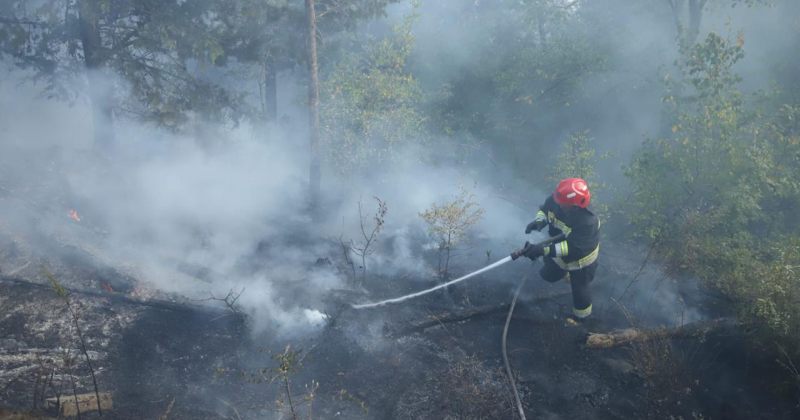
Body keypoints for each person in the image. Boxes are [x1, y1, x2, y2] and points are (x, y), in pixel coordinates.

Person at [521, 177, 600, 323]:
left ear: (577, 206)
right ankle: (564, 275)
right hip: (559, 250)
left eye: (564, 205)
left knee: (580, 290)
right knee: (548, 276)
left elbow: (572, 249)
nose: (559, 205)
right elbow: (545, 210)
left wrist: (542, 250)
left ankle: (581, 319)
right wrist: (539, 222)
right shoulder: (558, 199)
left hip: (580, 260)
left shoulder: (588, 221)